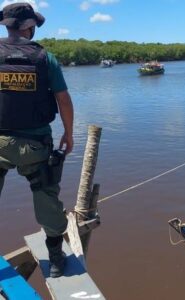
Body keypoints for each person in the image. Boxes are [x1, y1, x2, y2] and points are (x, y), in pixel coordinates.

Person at [0, 2, 74, 278]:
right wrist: (68, 132)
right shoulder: (45, 57)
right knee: (46, 199)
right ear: (29, 27)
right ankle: (55, 260)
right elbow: (63, 100)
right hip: (35, 145)